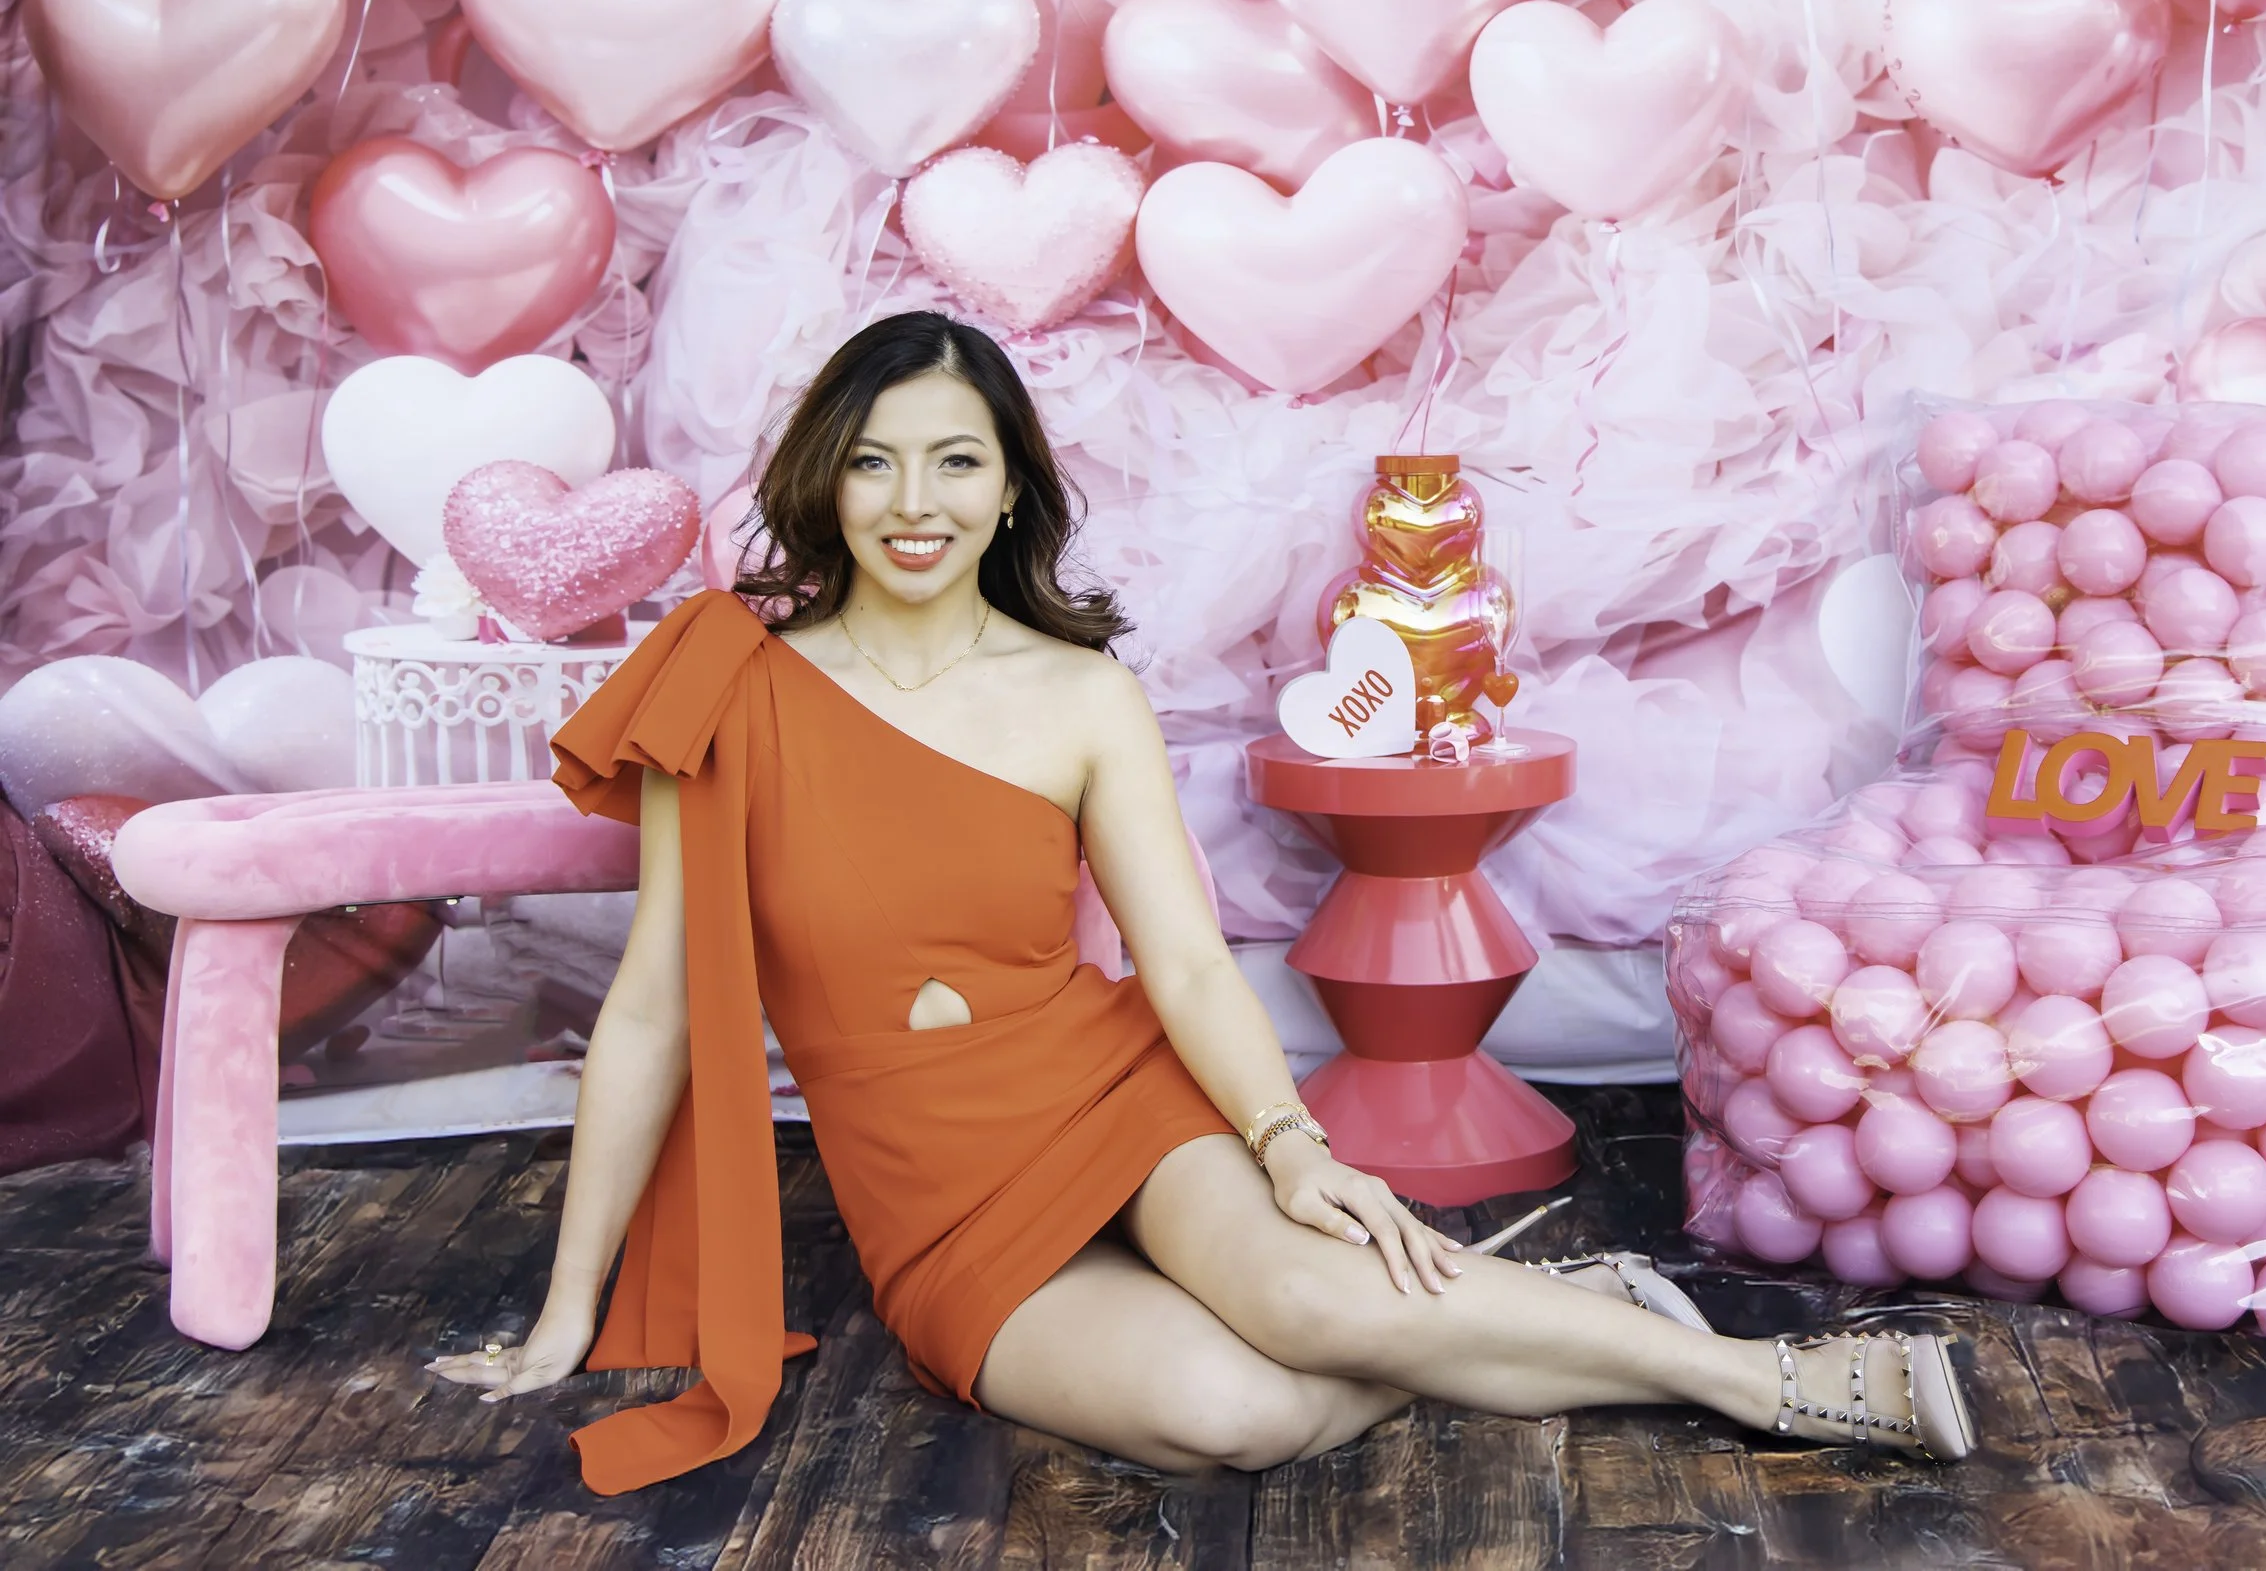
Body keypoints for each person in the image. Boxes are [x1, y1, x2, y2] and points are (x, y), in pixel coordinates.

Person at [426, 311, 1975, 1492]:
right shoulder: (730, 679)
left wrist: (1290, 1144)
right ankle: (1512, 1306)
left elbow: (1178, 958)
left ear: (1010, 484)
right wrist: (571, 1312)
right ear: (823, 476)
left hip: (1107, 1094)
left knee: (1304, 1292)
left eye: (957, 458)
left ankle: (1778, 1384)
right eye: (876, 456)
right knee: (1230, 1414)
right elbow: (647, 1009)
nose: (915, 499)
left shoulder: (1081, 693)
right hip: (932, 1194)